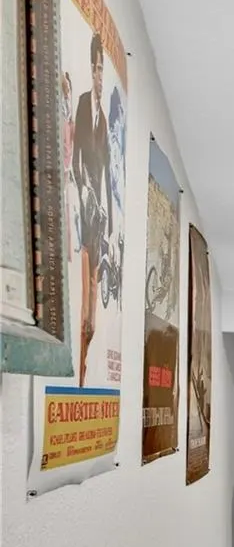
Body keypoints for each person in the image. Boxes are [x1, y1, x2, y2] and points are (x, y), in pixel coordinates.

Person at [72, 34, 113, 387]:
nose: (100, 75)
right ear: (90, 69)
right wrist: (84, 188)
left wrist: (110, 226)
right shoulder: (84, 105)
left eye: (103, 70)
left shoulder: (106, 125)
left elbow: (109, 178)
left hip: (99, 225)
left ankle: (85, 368)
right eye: (97, 68)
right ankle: (80, 373)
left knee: (94, 316)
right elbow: (75, 161)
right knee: (84, 308)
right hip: (84, 218)